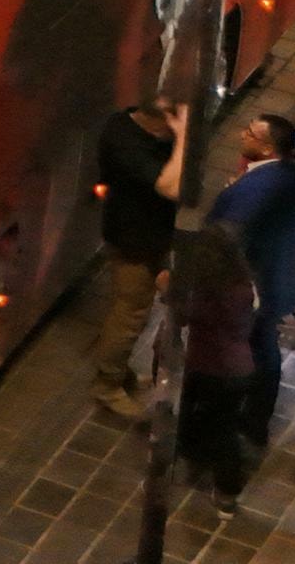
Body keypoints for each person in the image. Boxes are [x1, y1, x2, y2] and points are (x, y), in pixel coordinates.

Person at [208, 113, 295, 471]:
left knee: (247, 351)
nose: (242, 135)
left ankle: (243, 422)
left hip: (250, 286)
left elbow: (228, 233)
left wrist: (232, 195)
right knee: (264, 345)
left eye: (250, 134)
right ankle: (256, 419)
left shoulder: (254, 189)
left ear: (266, 147)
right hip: (278, 280)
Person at [89, 95, 186, 397]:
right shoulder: (130, 147)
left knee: (133, 308)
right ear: (160, 125)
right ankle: (108, 384)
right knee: (130, 312)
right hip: (135, 237)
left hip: (142, 231)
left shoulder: (121, 123)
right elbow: (172, 187)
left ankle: (120, 372)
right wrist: (183, 138)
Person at [168, 225, 263, 506]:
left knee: (214, 428)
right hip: (239, 368)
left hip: (211, 368)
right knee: (221, 426)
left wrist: (169, 291)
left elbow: (188, 316)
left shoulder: (212, 292)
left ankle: (224, 490)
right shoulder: (243, 284)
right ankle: (220, 486)